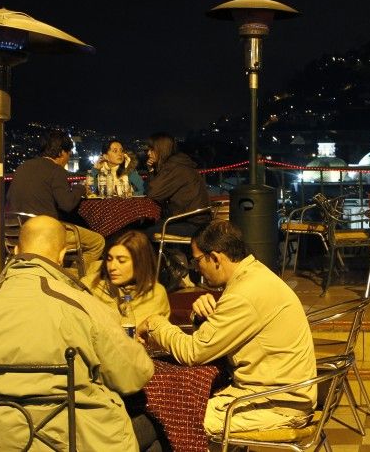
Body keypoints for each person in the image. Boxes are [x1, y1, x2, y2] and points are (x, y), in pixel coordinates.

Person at [0, 216, 156, 451]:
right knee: (155, 429)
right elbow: (133, 375)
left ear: (16, 250)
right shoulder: (81, 306)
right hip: (67, 440)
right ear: (62, 255)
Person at [137, 221, 316, 438]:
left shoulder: (244, 293)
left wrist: (154, 323)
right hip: (273, 395)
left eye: (196, 260)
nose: (195, 268)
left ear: (215, 258)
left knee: (174, 420)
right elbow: (220, 337)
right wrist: (202, 319)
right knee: (176, 410)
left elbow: (192, 352)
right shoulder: (255, 275)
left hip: (275, 405)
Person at [7, 130, 105, 276]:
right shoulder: (56, 170)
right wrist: (80, 188)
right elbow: (67, 204)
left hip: (17, 233)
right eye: (68, 153)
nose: (68, 157)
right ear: (61, 153)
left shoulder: (22, 167)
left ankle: (57, 273)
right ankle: (68, 277)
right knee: (97, 242)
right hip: (45, 233)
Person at [83, 230, 170, 326]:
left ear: (140, 263)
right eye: (109, 259)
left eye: (121, 261)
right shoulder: (90, 286)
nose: (112, 267)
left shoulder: (155, 294)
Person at [145, 132, 211, 238]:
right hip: (197, 220)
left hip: (193, 224)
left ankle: (163, 255)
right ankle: (168, 254)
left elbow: (153, 193)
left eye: (151, 149)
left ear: (160, 149)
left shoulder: (173, 167)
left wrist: (151, 171)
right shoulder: (179, 163)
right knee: (151, 226)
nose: (148, 153)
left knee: (145, 232)